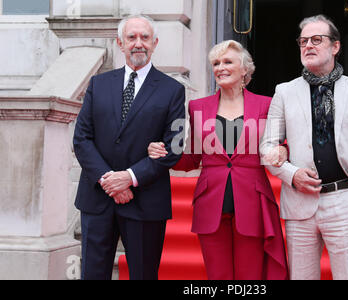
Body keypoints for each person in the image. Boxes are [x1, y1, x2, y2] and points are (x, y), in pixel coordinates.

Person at [148, 40, 289, 280]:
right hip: (211, 202)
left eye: (227, 62)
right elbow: (192, 158)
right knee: (217, 276)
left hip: (253, 201)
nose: (220, 67)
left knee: (250, 276)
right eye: (215, 63)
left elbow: (278, 144)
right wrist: (165, 153)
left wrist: (283, 151)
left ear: (244, 69)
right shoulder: (197, 107)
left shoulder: (266, 104)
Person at [260, 15, 348, 280]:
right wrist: (291, 174)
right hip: (299, 203)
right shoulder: (284, 92)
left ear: (335, 46)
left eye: (317, 40)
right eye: (303, 41)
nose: (308, 46)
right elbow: (268, 147)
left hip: (345, 200)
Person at [73, 15, 186, 280]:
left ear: (155, 43)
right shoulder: (98, 84)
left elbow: (175, 147)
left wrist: (129, 178)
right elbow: (81, 138)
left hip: (145, 200)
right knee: (92, 274)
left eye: (144, 37)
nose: (138, 43)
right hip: (97, 198)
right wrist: (108, 180)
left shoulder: (173, 90)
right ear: (120, 43)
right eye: (131, 37)